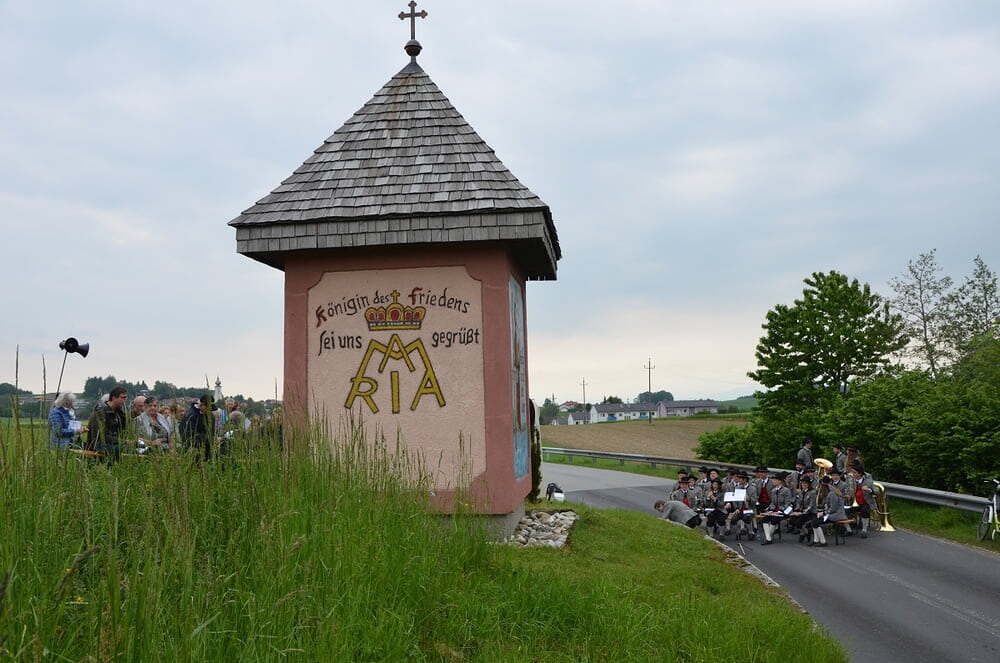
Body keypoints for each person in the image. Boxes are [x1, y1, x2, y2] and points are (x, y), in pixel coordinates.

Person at [87, 386, 128, 463]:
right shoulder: (100, 412)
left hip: (115, 443)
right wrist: (121, 441)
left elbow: (124, 430)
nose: (125, 400)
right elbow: (100, 435)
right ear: (113, 398)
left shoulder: (120, 413)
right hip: (101, 445)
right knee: (117, 449)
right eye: (123, 397)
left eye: (125, 398)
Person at [810, 476, 848, 547]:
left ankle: (823, 542)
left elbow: (833, 508)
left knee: (815, 522)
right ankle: (816, 540)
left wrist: (823, 513)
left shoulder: (832, 493)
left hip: (837, 515)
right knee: (814, 520)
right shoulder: (830, 493)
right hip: (833, 513)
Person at [180, 394, 217, 461]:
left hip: (207, 451)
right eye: (208, 408)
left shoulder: (210, 415)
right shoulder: (190, 416)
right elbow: (189, 437)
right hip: (194, 452)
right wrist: (209, 438)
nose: (210, 411)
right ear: (201, 405)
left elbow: (212, 432)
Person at [759, 471, 792, 545]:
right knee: (764, 519)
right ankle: (768, 538)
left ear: (779, 481)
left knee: (774, 520)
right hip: (774, 511)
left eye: (774, 480)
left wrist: (780, 510)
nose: (773, 481)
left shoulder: (786, 490)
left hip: (783, 511)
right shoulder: (773, 491)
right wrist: (770, 509)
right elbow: (772, 503)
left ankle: (768, 538)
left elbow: (788, 503)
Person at [848, 462, 877, 538]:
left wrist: (869, 490)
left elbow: (876, 491)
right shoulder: (852, 480)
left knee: (865, 510)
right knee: (845, 510)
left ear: (860, 474)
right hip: (855, 502)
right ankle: (849, 530)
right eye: (852, 472)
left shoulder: (868, 481)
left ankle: (864, 530)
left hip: (865, 503)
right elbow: (849, 490)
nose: (852, 474)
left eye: (854, 472)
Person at [788, 475, 818, 542]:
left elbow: (811, 505)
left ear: (809, 484)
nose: (803, 485)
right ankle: (805, 532)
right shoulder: (801, 492)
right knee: (792, 520)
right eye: (802, 483)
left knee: (799, 522)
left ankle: (804, 533)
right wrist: (796, 510)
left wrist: (802, 513)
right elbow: (798, 502)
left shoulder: (812, 492)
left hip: (810, 512)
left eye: (805, 483)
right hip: (801, 511)